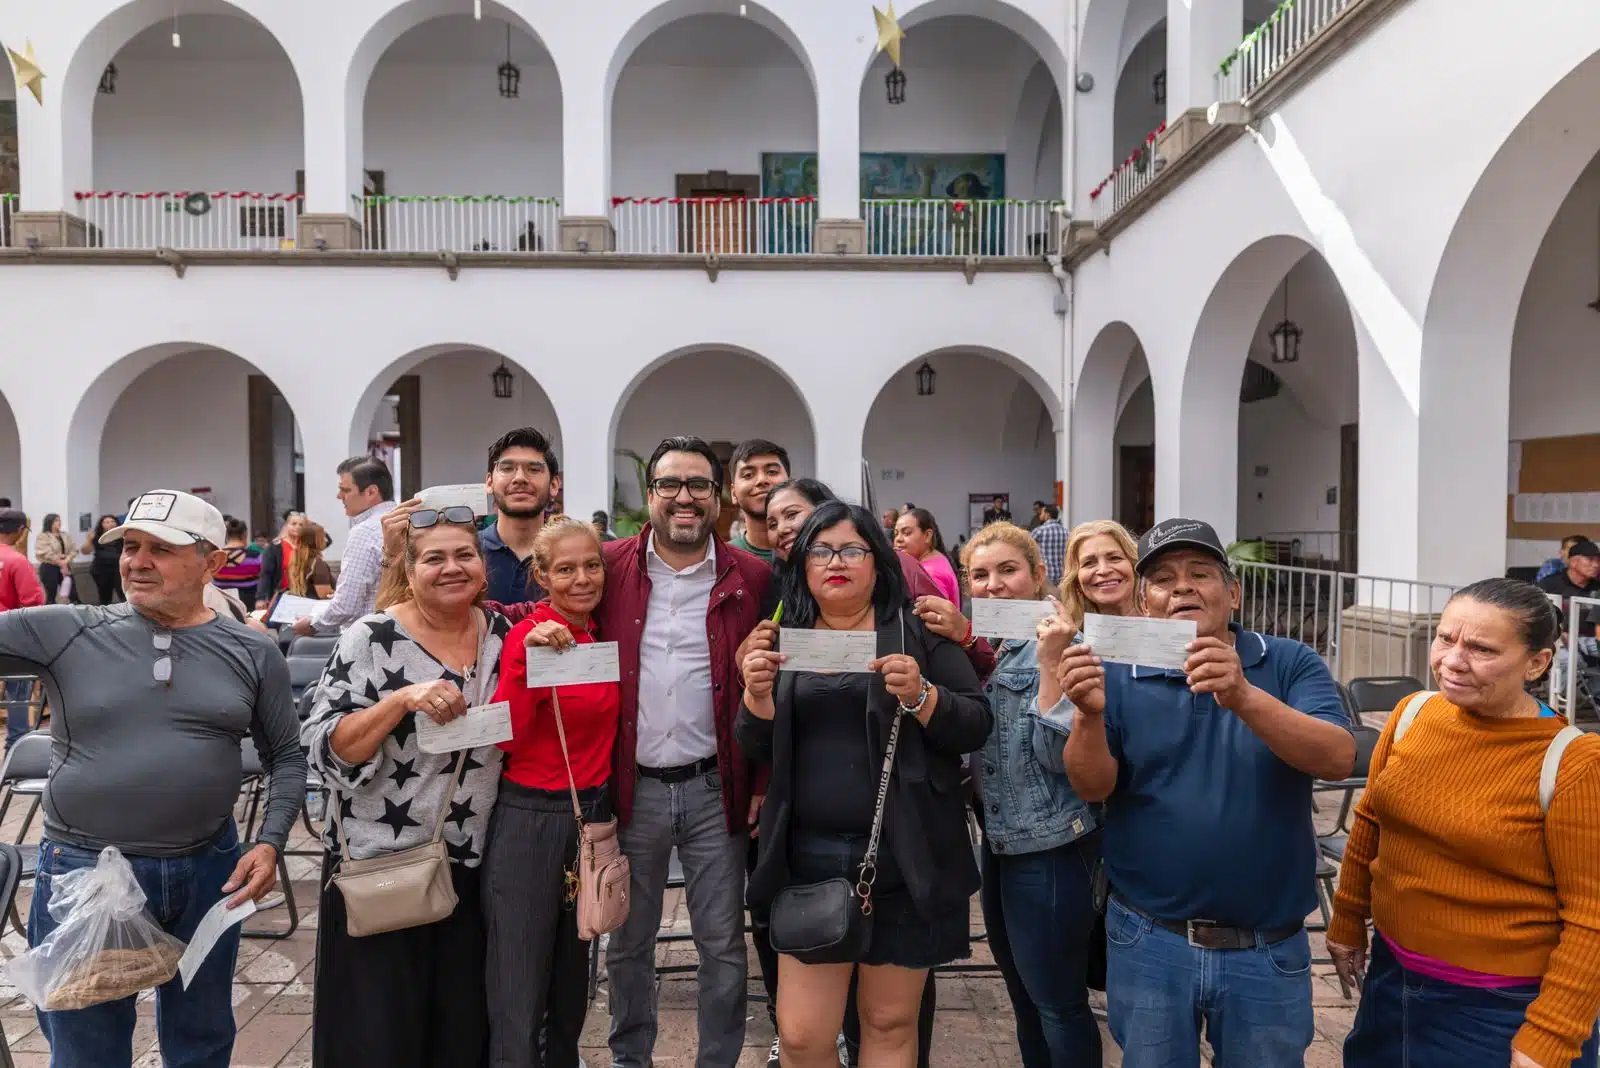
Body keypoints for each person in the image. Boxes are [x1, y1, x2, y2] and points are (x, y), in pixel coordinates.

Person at [5, 489, 302, 1067]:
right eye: (130, 546)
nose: (137, 561)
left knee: (202, 1039)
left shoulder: (252, 651)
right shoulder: (67, 630)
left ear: (213, 563)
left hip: (210, 872)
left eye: (161, 549)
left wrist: (270, 843)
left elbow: (287, 756)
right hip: (86, 872)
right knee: (87, 1047)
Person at [1059, 517, 1356, 1068]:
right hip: (1150, 937)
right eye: (1164, 579)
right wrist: (1086, 716)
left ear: (1233, 592)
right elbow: (1093, 786)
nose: (1184, 587)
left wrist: (1242, 694)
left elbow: (1338, 758)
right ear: (1144, 603)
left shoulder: (1288, 662)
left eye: (1201, 573)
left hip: (1266, 945)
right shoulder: (1119, 667)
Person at [744, 476, 994, 1068]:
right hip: (809, 857)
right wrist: (756, 699)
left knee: (888, 1021)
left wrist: (924, 696)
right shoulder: (785, 638)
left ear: (878, 564)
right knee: (803, 1036)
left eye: (852, 550)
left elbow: (975, 724)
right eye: (821, 550)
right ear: (801, 565)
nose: (836, 562)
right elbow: (755, 744)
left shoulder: (918, 633)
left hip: (905, 855)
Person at [1329, 579, 1600, 1068]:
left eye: (1481, 649)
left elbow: (1591, 914)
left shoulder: (1574, 761)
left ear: (1536, 663)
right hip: (1391, 984)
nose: (1453, 660)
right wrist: (1348, 919)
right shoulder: (1413, 713)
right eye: (1445, 637)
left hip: (1498, 1009)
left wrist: (1551, 1037)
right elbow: (1371, 820)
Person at [301, 505, 508, 1068]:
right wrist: (398, 701)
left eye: (464, 555)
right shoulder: (370, 637)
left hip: (469, 866)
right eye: (434, 558)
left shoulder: (503, 636)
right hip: (382, 869)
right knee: (377, 1036)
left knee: (458, 1032)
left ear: (482, 567)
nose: (451, 568)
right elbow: (323, 748)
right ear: (409, 569)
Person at [601, 436, 771, 1068]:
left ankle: (717, 1061)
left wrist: (762, 779)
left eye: (698, 484)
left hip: (714, 786)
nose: (684, 497)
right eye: (670, 484)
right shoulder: (609, 567)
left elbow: (775, 681)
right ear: (651, 496)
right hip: (631, 787)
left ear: (718, 495)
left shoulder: (750, 577)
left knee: (724, 944)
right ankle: (630, 1058)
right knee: (628, 941)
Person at [959, 521, 1102, 1067]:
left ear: (1039, 574)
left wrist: (1048, 665)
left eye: (1007, 570)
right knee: (1022, 997)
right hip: (998, 842)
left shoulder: (1070, 644)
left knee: (1058, 1003)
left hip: (1053, 847)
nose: (993, 585)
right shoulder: (985, 646)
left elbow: (1054, 757)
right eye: (980, 575)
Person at [485, 515, 620, 1068]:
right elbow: (507, 734)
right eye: (565, 569)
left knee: (572, 977)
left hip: (589, 818)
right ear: (541, 574)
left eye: (592, 566)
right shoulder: (527, 635)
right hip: (530, 818)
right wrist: (525, 659)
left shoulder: (598, 634)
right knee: (518, 980)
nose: (582, 579)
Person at [291, 455, 395, 636]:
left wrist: (313, 624)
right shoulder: (407, 520)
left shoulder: (365, 531)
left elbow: (346, 606)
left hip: (371, 639)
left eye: (345, 490)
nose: (339, 496)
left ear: (371, 492)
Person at [479, 427, 561, 605]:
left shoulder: (571, 555)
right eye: (507, 468)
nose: (519, 478)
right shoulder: (467, 554)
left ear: (554, 485)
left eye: (533, 469)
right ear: (489, 482)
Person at [0, 509, 44, 750]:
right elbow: (33, 605)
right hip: (9, 639)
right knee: (18, 695)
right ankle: (15, 750)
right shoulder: (17, 560)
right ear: (19, 531)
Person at [1058, 519, 1140, 625]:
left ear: (1135, 566)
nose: (1103, 570)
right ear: (1076, 582)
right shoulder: (1068, 637)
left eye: (1114, 558)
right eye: (1088, 563)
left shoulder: (1164, 622)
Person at [727, 438, 790, 563]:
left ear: (790, 485)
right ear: (733, 493)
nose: (761, 480)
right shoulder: (722, 560)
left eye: (772, 472)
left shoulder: (812, 553)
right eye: (748, 475)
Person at [893, 508, 959, 604]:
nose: (898, 539)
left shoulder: (931, 573)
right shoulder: (935, 559)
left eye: (906, 533)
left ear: (927, 536)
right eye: (895, 534)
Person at [1537, 538, 1600, 637]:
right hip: (1558, 642)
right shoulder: (1549, 585)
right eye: (1590, 560)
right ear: (1573, 562)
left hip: (1592, 643)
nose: (1596, 565)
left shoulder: (1598, 588)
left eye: (1598, 561)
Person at [253, 510, 304, 610]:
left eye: (301, 525)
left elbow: (325, 541)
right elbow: (266, 573)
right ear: (286, 526)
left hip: (302, 596)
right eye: (293, 524)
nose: (297, 527)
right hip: (281, 594)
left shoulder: (306, 547)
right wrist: (261, 597)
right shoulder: (275, 546)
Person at [214, 516, 263, 604]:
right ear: (244, 534)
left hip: (221, 605)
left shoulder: (215, 556)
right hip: (248, 605)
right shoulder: (255, 557)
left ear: (226, 535)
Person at [284, 520, 334, 599]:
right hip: (315, 609)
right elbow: (324, 596)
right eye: (323, 536)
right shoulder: (318, 565)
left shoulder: (296, 561)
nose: (325, 540)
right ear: (317, 541)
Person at [84, 513, 123, 604]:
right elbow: (85, 551)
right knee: (105, 595)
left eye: (113, 521)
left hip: (118, 568)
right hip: (101, 569)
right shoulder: (95, 535)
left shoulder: (122, 535)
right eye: (107, 522)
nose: (110, 524)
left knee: (122, 593)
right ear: (101, 524)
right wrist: (89, 540)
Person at [33, 513, 71, 605]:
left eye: (59, 520)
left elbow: (73, 550)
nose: (59, 523)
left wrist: (66, 560)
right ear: (49, 522)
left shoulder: (65, 535)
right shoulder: (43, 536)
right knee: (51, 593)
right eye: (56, 520)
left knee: (71, 591)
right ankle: (49, 613)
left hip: (65, 566)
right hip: (49, 567)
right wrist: (60, 561)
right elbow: (45, 552)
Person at [1030, 504, 1067, 587]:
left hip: (1046, 574)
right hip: (1062, 575)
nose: (1040, 514)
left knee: (1046, 599)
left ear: (1047, 514)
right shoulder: (1066, 532)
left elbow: (1026, 546)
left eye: (1042, 512)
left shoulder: (1039, 531)